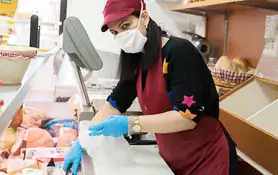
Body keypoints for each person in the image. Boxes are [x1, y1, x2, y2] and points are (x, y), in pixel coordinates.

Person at [63, 0, 238, 174]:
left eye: (126, 26)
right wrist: (83, 140)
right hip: (173, 159)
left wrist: (130, 124)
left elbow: (187, 118)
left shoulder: (179, 53)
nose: (121, 35)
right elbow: (115, 103)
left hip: (208, 160)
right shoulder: (137, 59)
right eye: (115, 32)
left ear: (144, 17)